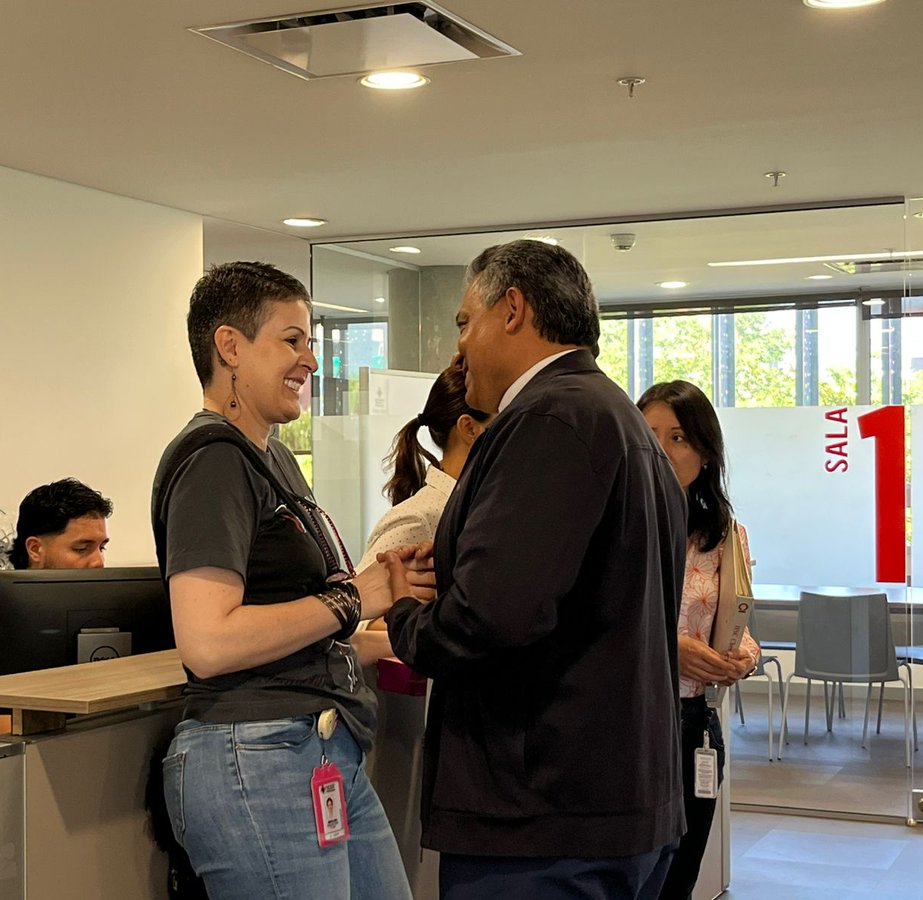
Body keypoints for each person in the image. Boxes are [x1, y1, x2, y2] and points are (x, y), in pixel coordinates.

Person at [383, 239, 688, 899]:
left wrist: (406, 609)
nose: (459, 348)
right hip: (612, 805)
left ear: (513, 310)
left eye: (466, 322)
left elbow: (489, 616)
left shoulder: (549, 418)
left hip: (545, 820)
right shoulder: (619, 420)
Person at [150, 261, 413, 900]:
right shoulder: (214, 459)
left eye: (311, 344)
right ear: (230, 346)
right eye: (292, 341)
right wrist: (352, 598)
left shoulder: (270, 458)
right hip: (258, 757)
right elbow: (209, 643)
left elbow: (287, 621)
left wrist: (378, 630)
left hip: (318, 748)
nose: (311, 363)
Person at [638, 380, 761, 900]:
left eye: (679, 437)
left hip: (695, 723)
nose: (663, 451)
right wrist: (669, 646)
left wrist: (742, 658)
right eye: (650, 436)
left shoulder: (725, 534)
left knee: (678, 882)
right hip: (633, 723)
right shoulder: (616, 523)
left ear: (706, 452)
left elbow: (742, 629)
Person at [0, 477, 112, 737]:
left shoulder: (91, 621)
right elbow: (3, 739)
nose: (98, 562)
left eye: (102, 547)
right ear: (35, 549)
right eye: (82, 548)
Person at [358, 365, 489, 578]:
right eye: (503, 420)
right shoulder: (417, 518)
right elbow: (358, 603)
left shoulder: (473, 505)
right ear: (470, 429)